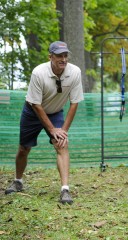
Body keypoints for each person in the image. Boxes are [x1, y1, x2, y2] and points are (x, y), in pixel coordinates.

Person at [5, 41, 84, 205]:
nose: (63, 59)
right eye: (59, 56)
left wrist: (63, 131)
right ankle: (18, 181)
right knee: (24, 148)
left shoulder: (75, 72)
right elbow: (36, 104)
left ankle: (65, 190)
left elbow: (74, 102)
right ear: (50, 57)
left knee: (62, 144)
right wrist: (52, 129)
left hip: (55, 111)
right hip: (32, 112)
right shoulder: (38, 73)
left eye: (65, 55)